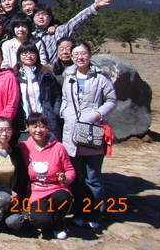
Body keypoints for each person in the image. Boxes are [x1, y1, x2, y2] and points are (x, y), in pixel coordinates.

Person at [61, 41, 116, 229]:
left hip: (92, 133)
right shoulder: (68, 77)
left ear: (90, 55)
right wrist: (65, 112)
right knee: (77, 179)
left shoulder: (101, 78)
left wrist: (97, 114)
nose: (80, 57)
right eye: (76, 54)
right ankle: (79, 213)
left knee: (93, 179)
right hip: (72, 134)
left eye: (83, 53)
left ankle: (95, 215)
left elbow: (111, 100)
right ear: (72, 57)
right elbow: (65, 100)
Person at [18, 112, 75, 240]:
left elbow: (70, 170)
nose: (38, 130)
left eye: (42, 126)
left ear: (47, 127)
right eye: (34, 127)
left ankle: (58, 224)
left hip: (56, 189)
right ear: (27, 127)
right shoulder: (23, 147)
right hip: (36, 192)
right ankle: (48, 220)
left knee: (64, 198)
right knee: (40, 221)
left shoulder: (58, 147)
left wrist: (66, 178)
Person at [32, 0, 112, 65]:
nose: (41, 17)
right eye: (38, 15)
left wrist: (94, 7)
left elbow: (76, 21)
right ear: (33, 18)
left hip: (56, 72)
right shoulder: (31, 37)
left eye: (44, 14)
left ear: (50, 17)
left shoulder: (59, 32)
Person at [11, 42, 62, 142]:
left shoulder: (46, 74)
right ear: (19, 56)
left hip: (46, 122)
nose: (28, 56)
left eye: (32, 53)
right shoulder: (14, 76)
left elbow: (57, 96)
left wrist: (54, 113)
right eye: (24, 53)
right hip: (23, 124)